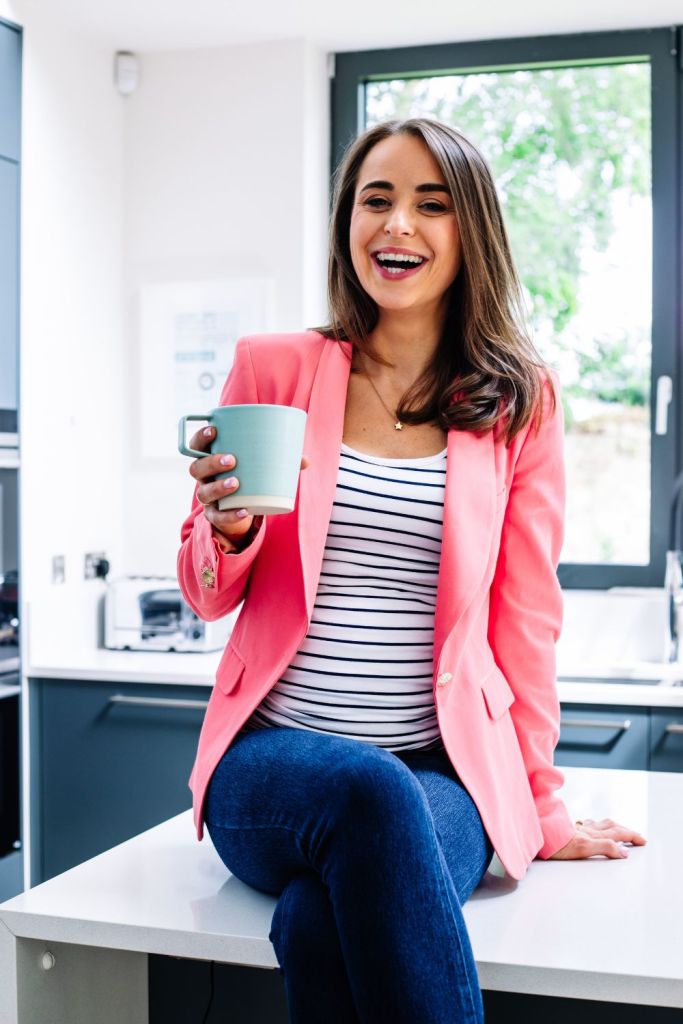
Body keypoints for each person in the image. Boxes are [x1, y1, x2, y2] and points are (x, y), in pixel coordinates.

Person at [177, 117, 647, 1024]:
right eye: (375, 200)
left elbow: (525, 623)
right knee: (365, 792)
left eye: (431, 205)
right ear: (345, 222)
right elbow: (206, 594)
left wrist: (540, 810)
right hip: (272, 761)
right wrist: (224, 528)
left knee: (322, 917)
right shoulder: (272, 368)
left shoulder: (519, 402)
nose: (397, 226)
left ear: (470, 230)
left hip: (439, 774)